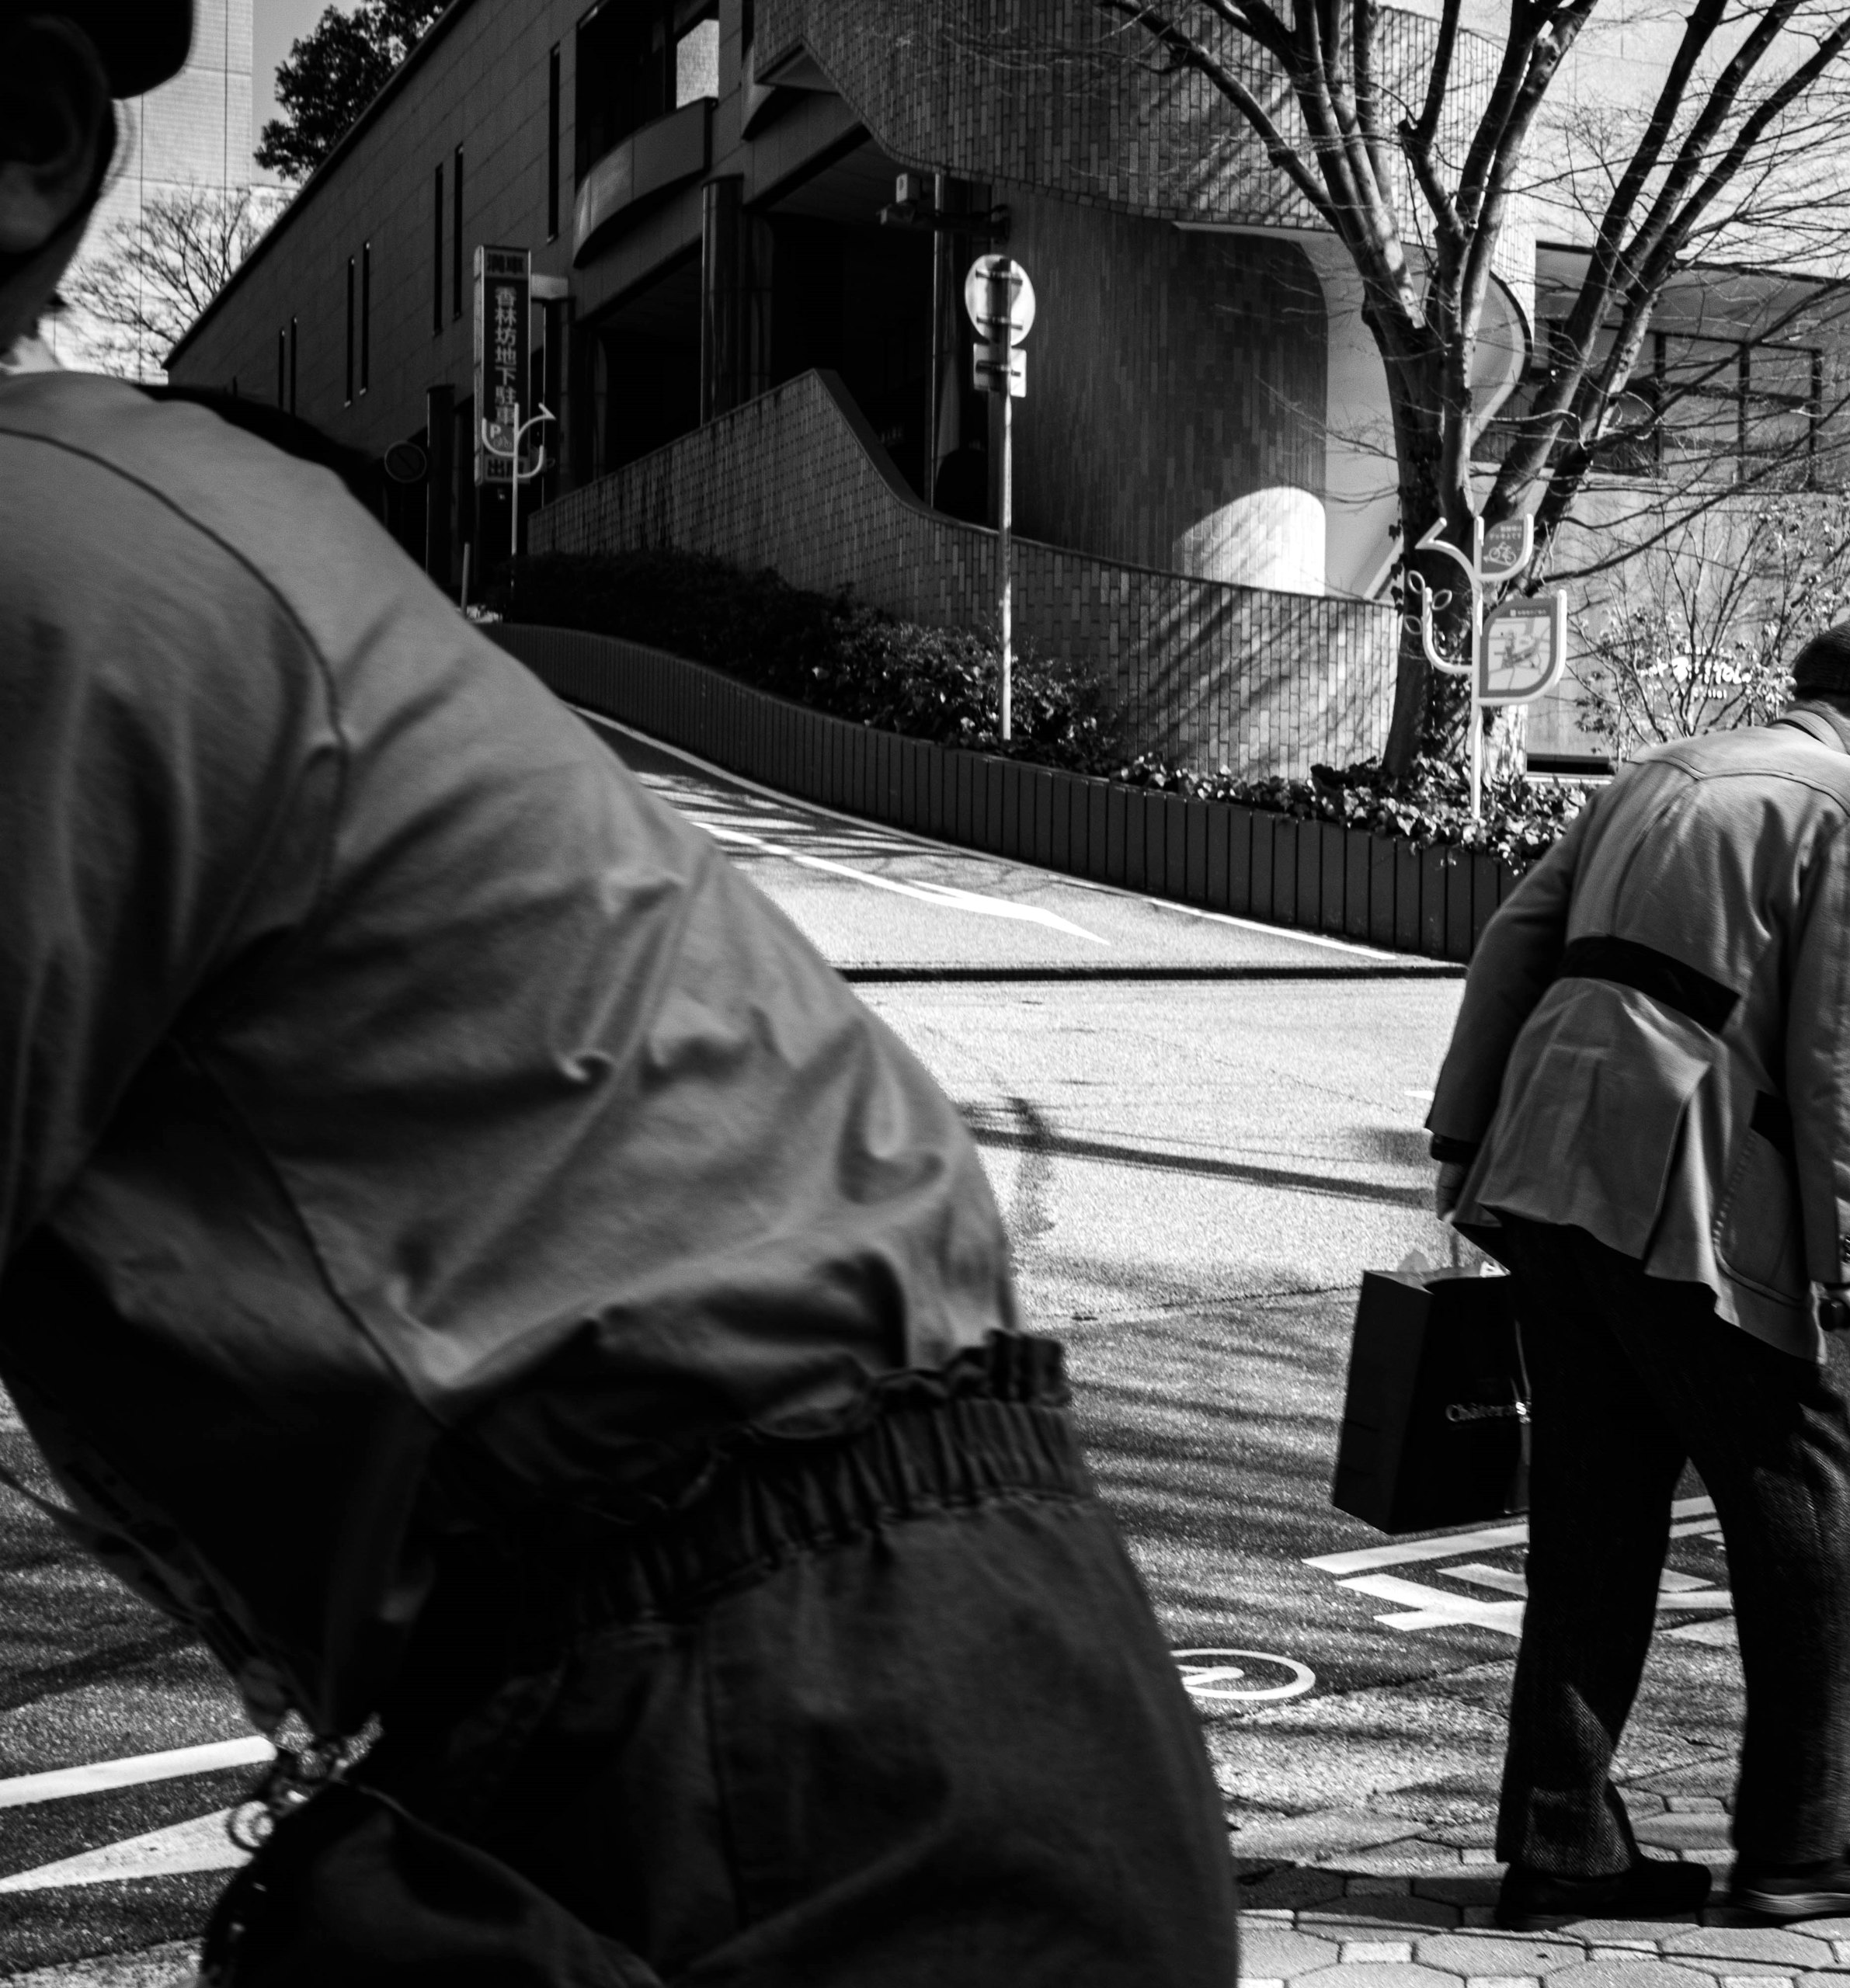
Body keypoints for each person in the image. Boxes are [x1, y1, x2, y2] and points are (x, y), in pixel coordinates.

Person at [0, 9, 1232, 1980]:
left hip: (759, 1704)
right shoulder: (173, 518)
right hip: (869, 1657)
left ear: (27, 144)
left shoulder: (49, 553)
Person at [1425, 622, 1850, 1931]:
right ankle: (1801, 1846)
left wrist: (1459, 1142)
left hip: (1542, 1159)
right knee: (1810, 1493)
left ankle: (1564, 1846)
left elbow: (1514, 941)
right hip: (1686, 1179)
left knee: (1594, 1519)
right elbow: (1843, 1057)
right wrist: (1849, 1267)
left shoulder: (1658, 769)